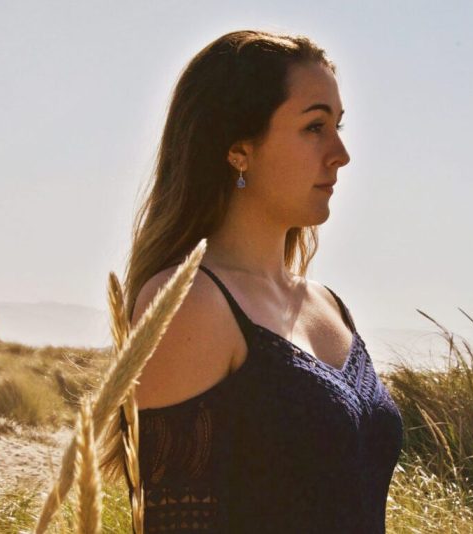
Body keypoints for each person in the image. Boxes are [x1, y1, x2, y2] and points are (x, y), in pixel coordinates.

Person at [100, 29, 404, 533]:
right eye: (314, 127)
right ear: (239, 149)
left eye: (338, 126)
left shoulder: (328, 306)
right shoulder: (189, 303)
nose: (340, 153)